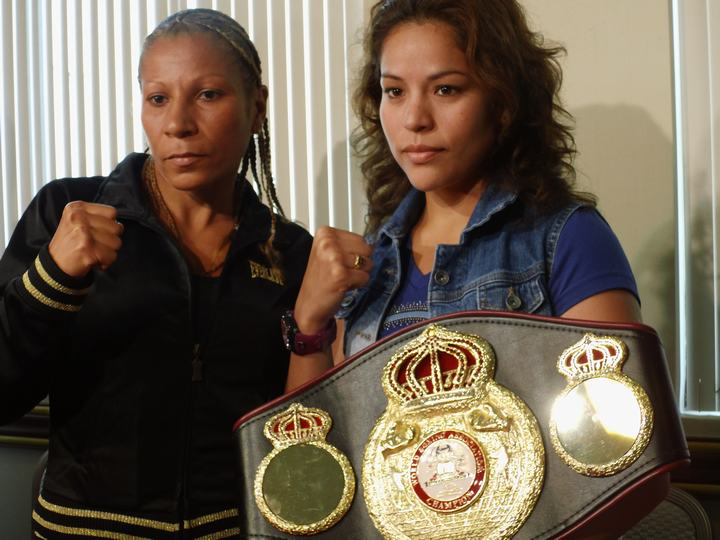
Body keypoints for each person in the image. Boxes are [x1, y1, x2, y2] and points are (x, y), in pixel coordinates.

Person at [0, 9, 311, 538]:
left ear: (257, 107)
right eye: (158, 98)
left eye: (207, 94)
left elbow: (299, 429)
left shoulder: (289, 252)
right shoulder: (67, 212)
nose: (177, 124)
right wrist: (54, 277)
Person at [285, 0, 641, 388]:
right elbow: (313, 427)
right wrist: (309, 323)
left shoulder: (568, 239)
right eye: (395, 91)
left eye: (445, 89)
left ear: (502, 100)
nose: (415, 119)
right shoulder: (368, 262)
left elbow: (619, 417)